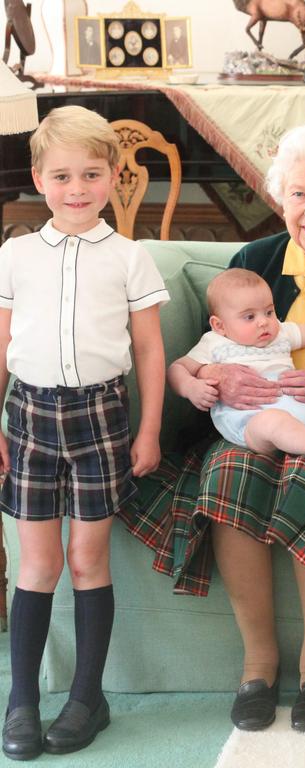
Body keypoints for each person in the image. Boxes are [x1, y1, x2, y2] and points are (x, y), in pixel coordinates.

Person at [119, 121, 305, 735]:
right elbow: (211, 352)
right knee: (227, 473)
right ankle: (258, 661)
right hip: (248, 429)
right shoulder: (254, 263)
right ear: (281, 198)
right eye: (299, 194)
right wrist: (218, 383)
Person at [0, 105, 168, 760]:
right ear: (39, 178)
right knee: (38, 563)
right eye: (63, 175)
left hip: (102, 418)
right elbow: (3, 343)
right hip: (29, 419)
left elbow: (150, 351)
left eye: (91, 175)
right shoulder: (13, 256)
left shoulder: (130, 258)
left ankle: (86, 698)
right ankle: (21, 703)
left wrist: (149, 430)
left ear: (115, 177)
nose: (77, 189)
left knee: (85, 559)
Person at [167, 268, 305, 496]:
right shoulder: (214, 342)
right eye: (250, 317)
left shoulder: (281, 334)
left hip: (303, 411)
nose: (264, 323)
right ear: (219, 325)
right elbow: (177, 368)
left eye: (269, 311)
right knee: (275, 422)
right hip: (251, 422)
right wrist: (191, 387)